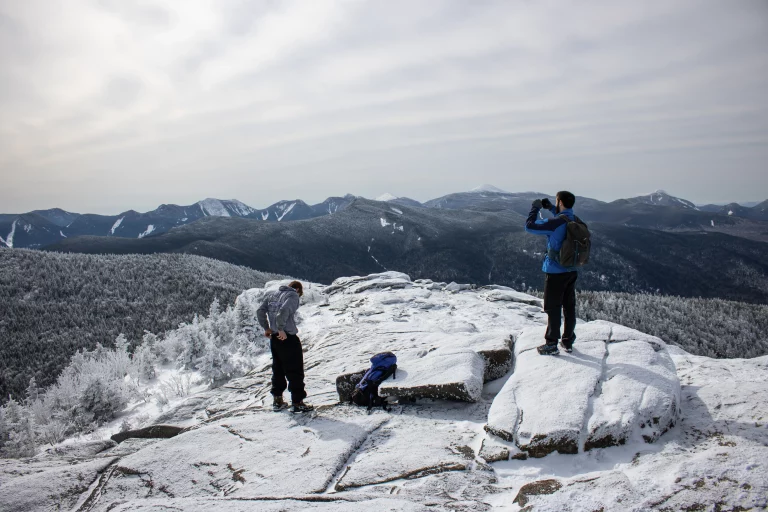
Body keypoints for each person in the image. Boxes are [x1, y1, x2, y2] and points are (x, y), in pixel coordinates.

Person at [524, 191, 579, 355]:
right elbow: (563, 217)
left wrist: (534, 209)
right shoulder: (574, 219)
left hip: (555, 272)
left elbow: (530, 226)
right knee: (569, 307)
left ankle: (551, 344)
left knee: (553, 308)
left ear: (560, 202)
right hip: (571, 269)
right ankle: (568, 341)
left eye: (557, 202)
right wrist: (551, 208)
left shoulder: (555, 223)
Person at [257, 280, 314, 412]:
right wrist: (281, 328)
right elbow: (283, 311)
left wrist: (267, 328)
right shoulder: (292, 296)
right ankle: (297, 402)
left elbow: (260, 311)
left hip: (275, 339)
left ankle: (278, 400)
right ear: (298, 290)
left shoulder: (272, 294)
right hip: (287, 337)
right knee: (295, 369)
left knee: (278, 368)